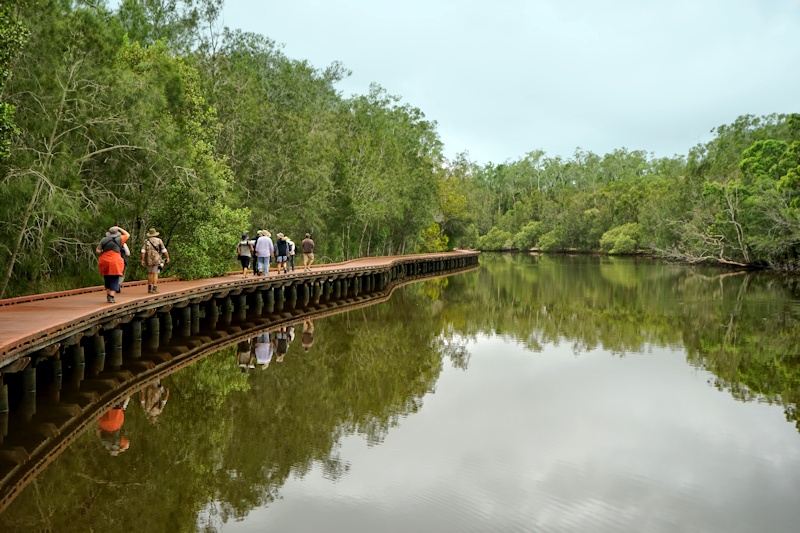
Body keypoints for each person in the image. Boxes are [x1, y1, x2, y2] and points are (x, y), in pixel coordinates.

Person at [96, 226, 130, 303]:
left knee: (107, 278)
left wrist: (104, 252)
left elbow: (98, 250)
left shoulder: (104, 240)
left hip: (104, 260)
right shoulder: (120, 239)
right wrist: (119, 228)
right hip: (115, 260)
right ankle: (111, 296)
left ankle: (108, 295)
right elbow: (127, 234)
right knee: (115, 278)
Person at [141, 227, 170, 293]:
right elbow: (164, 250)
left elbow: (143, 251)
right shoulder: (159, 240)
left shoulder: (146, 241)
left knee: (150, 273)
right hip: (157, 259)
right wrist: (167, 257)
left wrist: (142, 260)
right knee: (155, 273)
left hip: (149, 259)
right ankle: (154, 288)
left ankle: (149, 288)